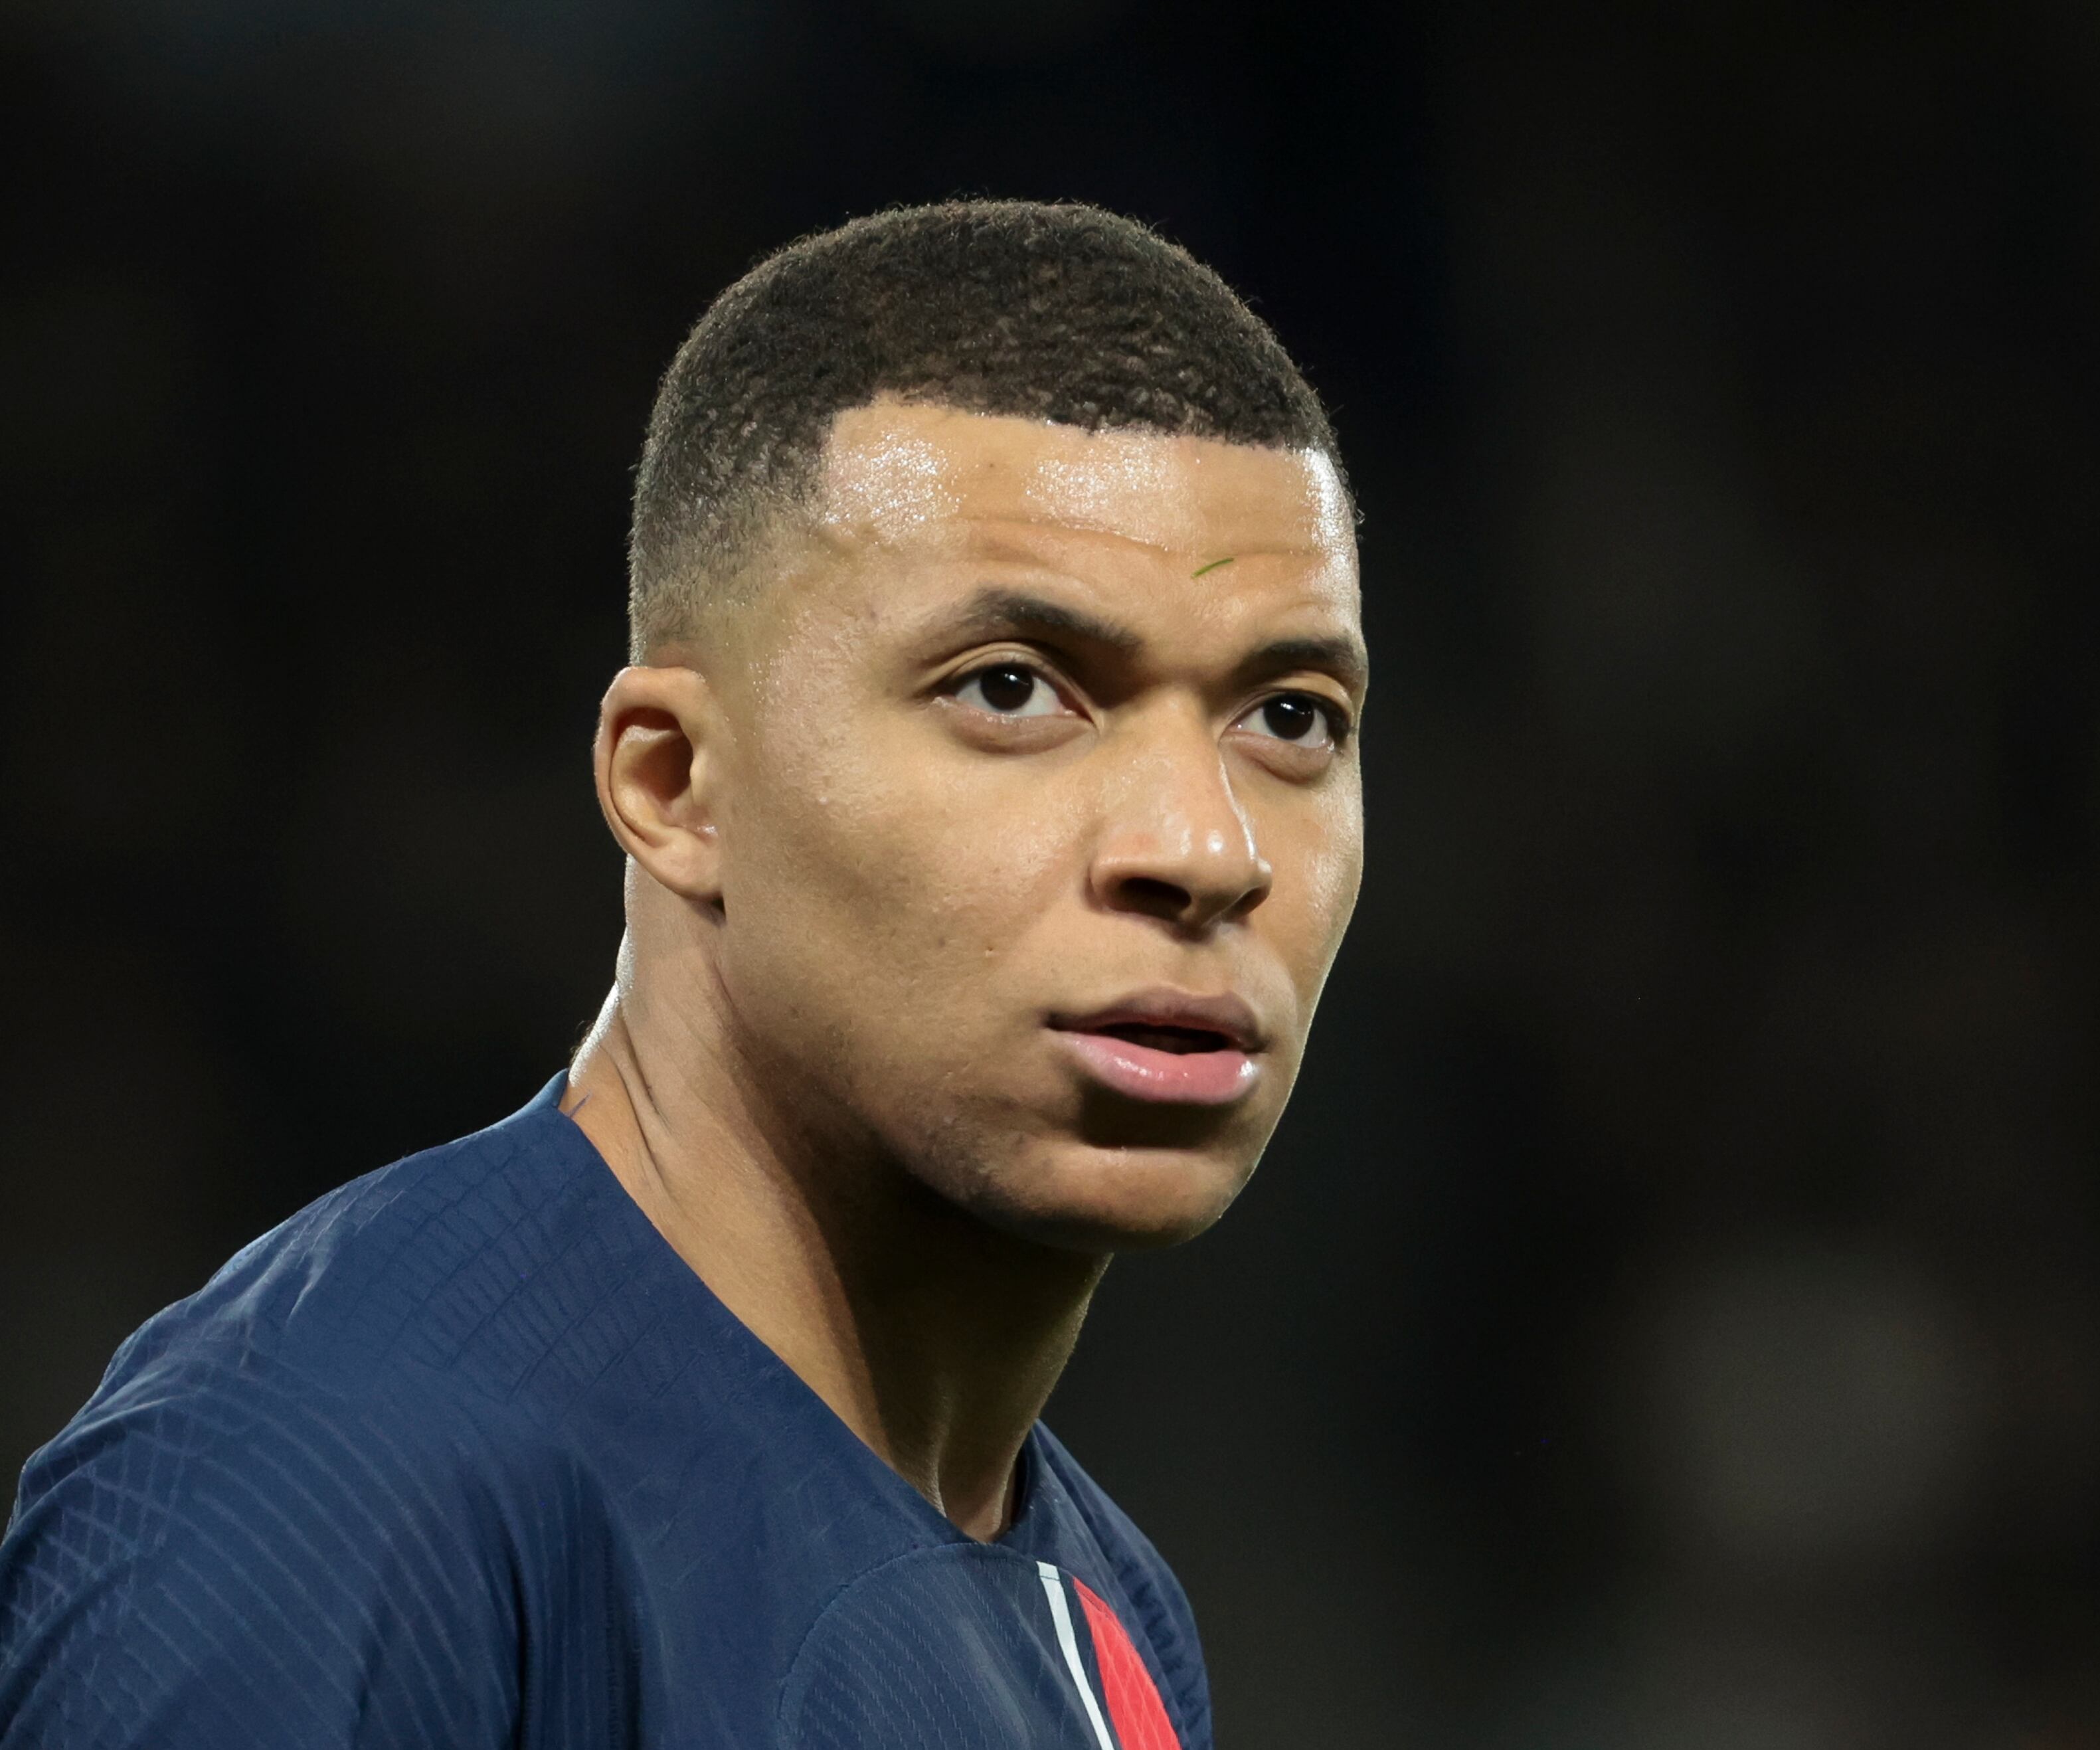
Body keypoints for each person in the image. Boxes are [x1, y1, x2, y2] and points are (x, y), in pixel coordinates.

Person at [0, 201, 1366, 1750]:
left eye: (1293, 715)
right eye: (1012, 688)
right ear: (675, 784)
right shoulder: (330, 1484)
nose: (1206, 845)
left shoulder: (1108, 1618)